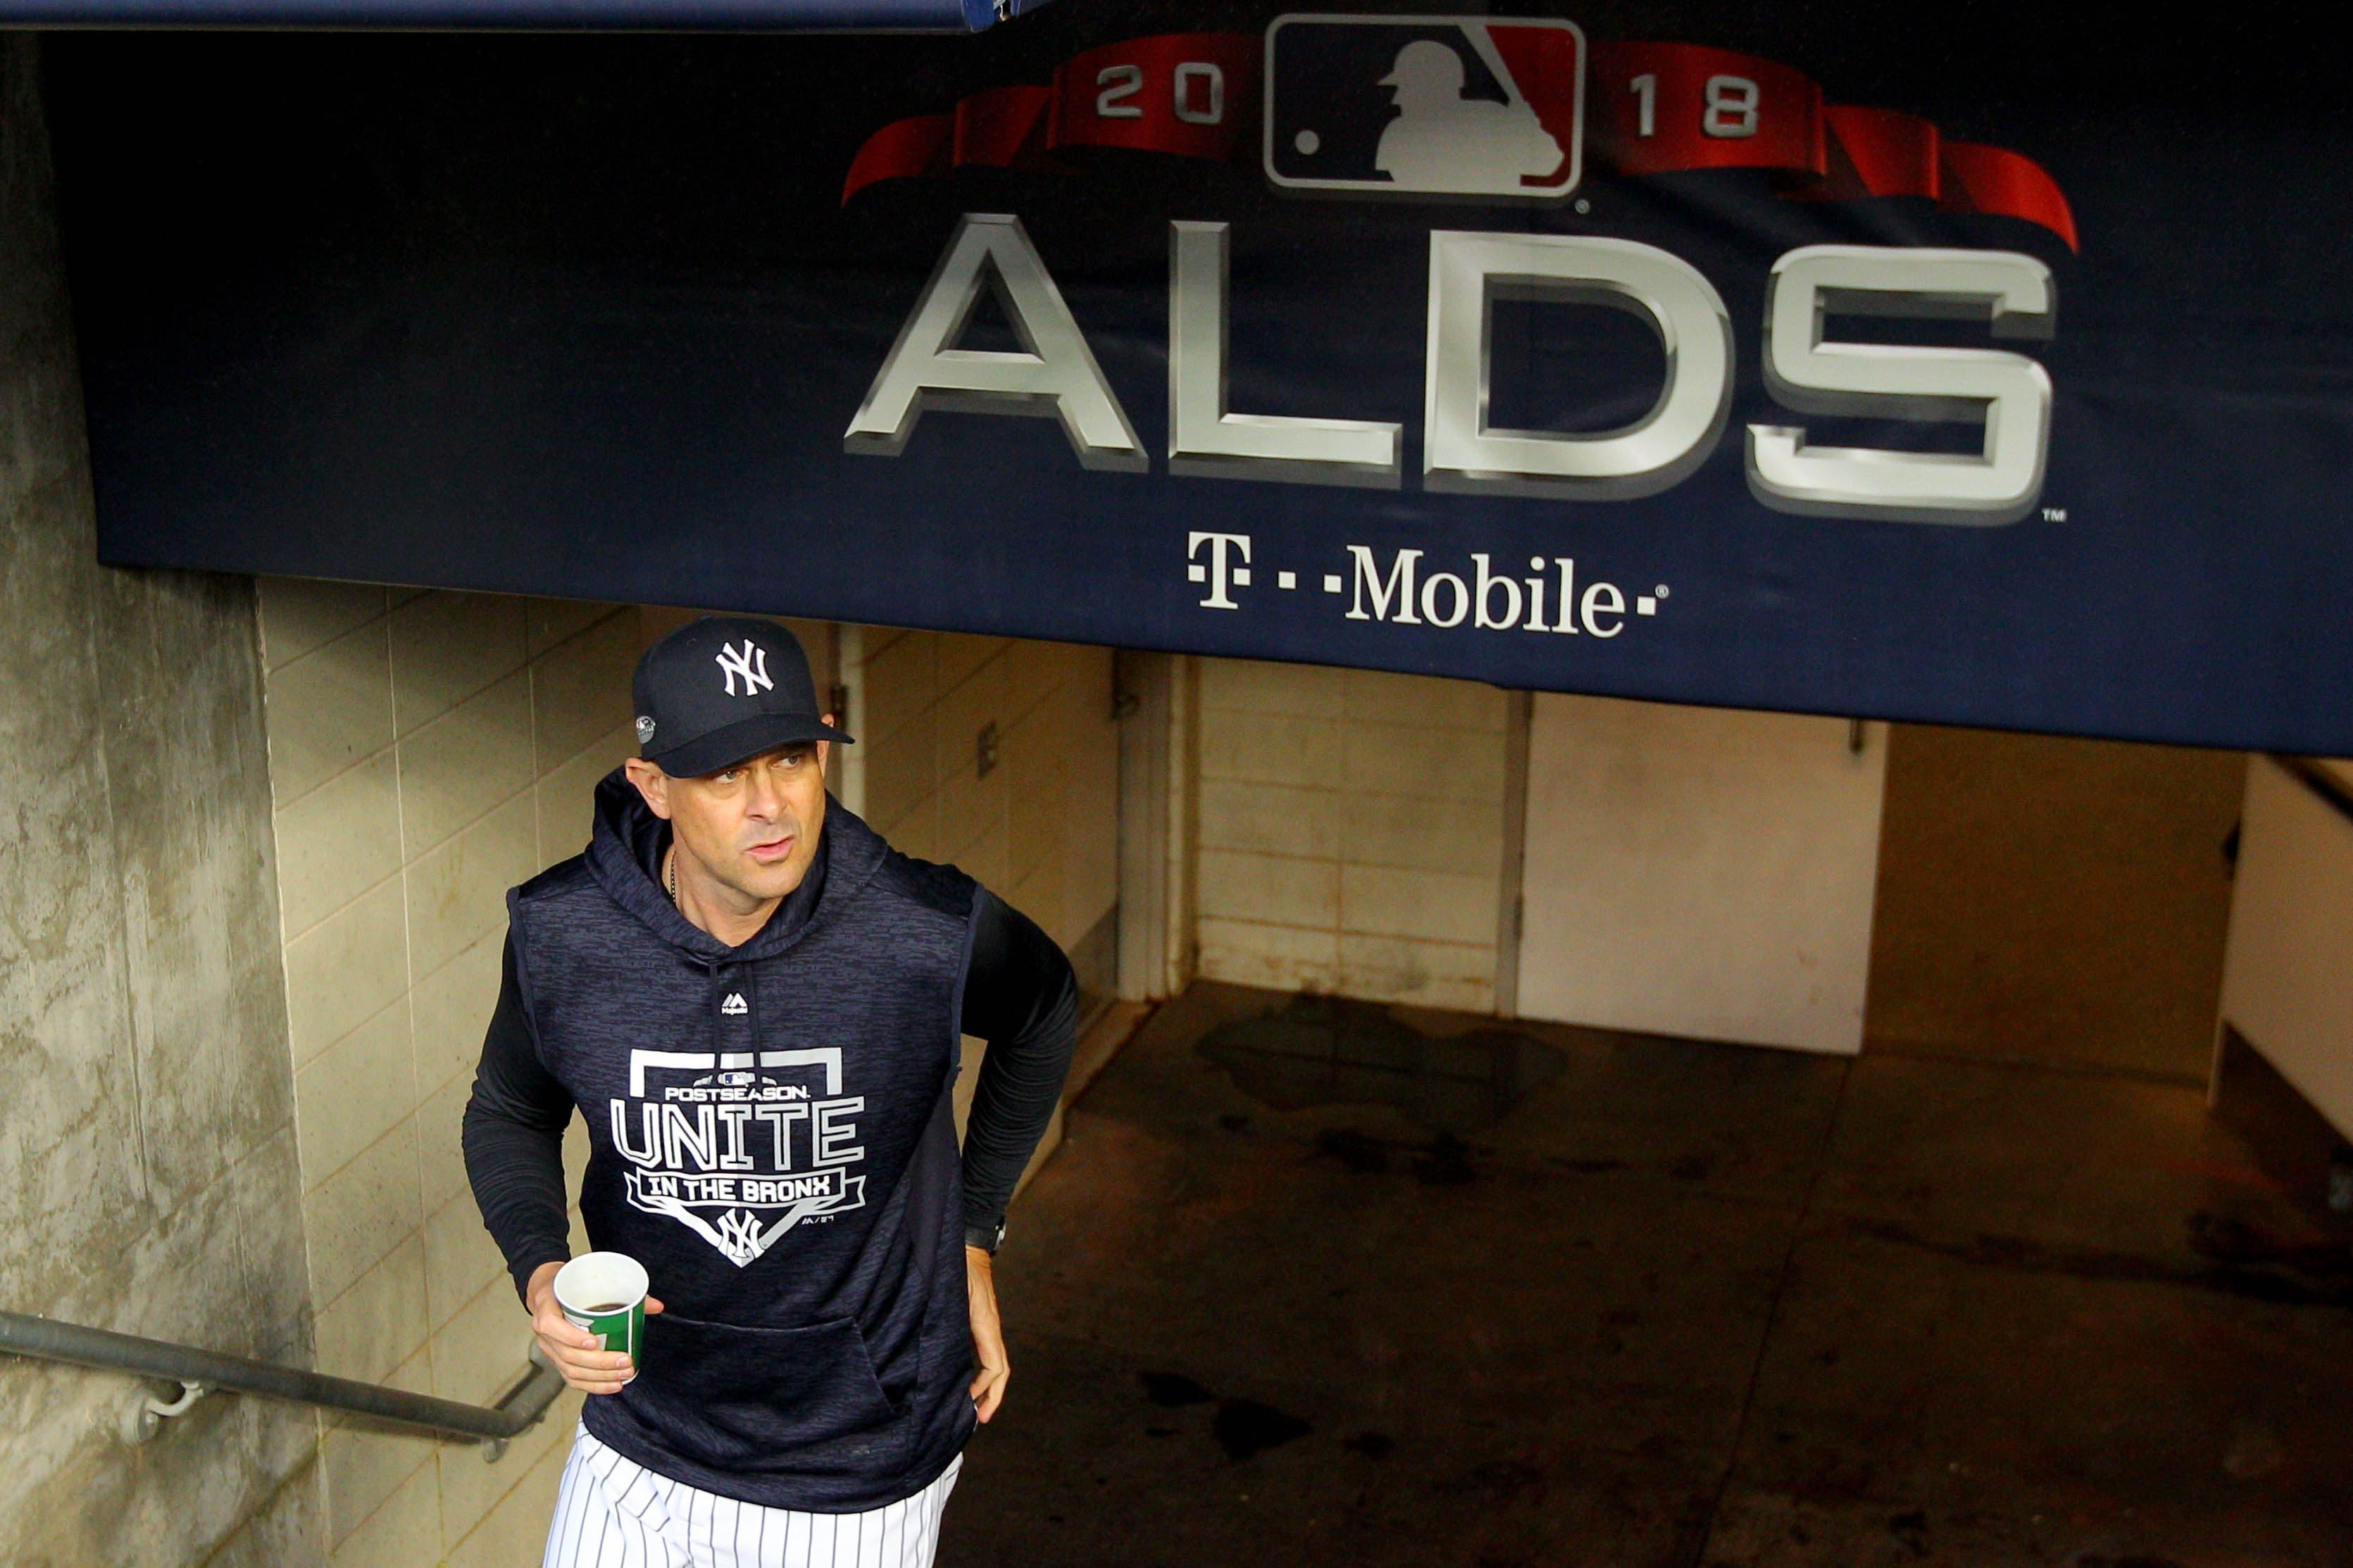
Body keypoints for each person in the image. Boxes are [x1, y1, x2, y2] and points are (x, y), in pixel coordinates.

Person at [463, 615, 1078, 1568]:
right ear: (653, 787)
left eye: (791, 758)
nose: (771, 805)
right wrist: (541, 1270)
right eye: (725, 773)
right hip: (644, 1439)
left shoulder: (922, 929)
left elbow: (1045, 1010)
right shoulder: (564, 933)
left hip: (856, 1470)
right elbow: (510, 1107)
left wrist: (974, 1231)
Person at [1374, 37, 1562, 196]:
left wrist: (1528, 131)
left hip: (1493, 228)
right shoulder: (1400, 132)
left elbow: (1549, 164)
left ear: (1433, 86)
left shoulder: (1494, 118)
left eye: (1406, 87)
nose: (1396, 100)